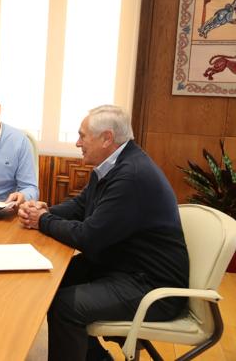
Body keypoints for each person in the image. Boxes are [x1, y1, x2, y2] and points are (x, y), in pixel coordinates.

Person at [18, 105, 189, 361]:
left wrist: (43, 220)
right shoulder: (115, 164)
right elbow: (80, 205)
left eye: (83, 135)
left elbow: (88, 237)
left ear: (107, 138)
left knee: (66, 306)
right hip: (123, 266)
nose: (77, 142)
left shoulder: (131, 176)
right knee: (53, 281)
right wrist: (45, 210)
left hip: (151, 287)